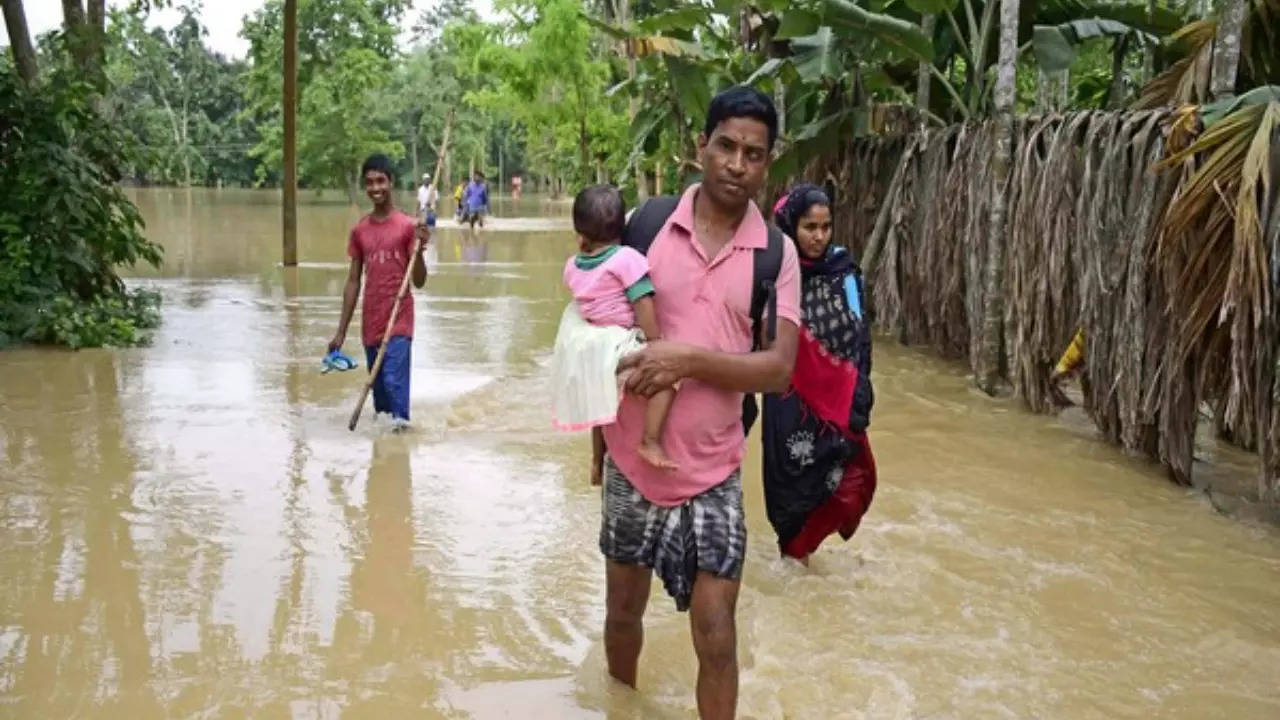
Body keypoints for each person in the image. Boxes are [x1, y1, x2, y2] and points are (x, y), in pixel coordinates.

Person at [599, 85, 800, 720]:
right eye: (727, 147)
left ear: (770, 162)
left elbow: (779, 370)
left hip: (714, 470)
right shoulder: (647, 226)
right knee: (622, 614)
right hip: (633, 462)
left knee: (716, 635)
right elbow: (599, 330)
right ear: (701, 148)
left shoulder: (777, 253)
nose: (738, 164)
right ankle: (619, 705)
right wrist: (597, 445)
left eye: (754, 154)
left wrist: (685, 359)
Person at [761, 183, 877, 565]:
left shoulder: (844, 271)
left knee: (847, 481)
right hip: (789, 403)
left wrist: (862, 386)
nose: (819, 236)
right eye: (810, 227)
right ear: (792, 226)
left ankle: (804, 559)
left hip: (838, 406)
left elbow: (861, 334)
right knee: (791, 490)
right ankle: (794, 561)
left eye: (826, 227)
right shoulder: (775, 271)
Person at [550, 185, 677, 478]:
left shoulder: (572, 266)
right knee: (669, 382)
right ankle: (650, 441)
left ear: (580, 235)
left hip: (591, 349)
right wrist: (655, 342)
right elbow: (642, 301)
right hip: (621, 342)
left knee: (599, 402)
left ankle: (597, 459)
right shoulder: (627, 259)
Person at [328, 154, 429, 431]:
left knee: (395, 383)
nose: (375, 188)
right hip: (372, 322)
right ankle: (386, 462)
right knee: (381, 400)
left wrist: (420, 251)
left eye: (381, 181)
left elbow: (419, 281)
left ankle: (401, 445)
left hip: (400, 320)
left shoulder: (408, 227)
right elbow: (352, 282)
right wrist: (340, 332)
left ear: (391, 182)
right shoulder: (360, 231)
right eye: (370, 182)